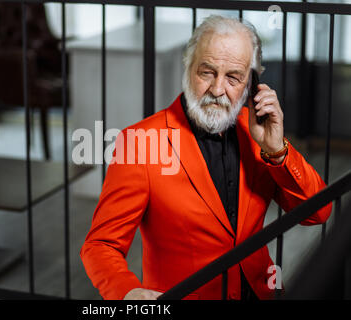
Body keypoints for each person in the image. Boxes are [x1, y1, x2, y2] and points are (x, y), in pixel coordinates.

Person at [80, 15, 332, 300]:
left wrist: (277, 151)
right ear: (188, 69)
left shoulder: (258, 133)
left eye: (233, 77)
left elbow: (318, 213)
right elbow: (100, 245)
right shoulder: (139, 143)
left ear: (252, 84)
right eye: (207, 72)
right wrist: (127, 292)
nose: (217, 89)